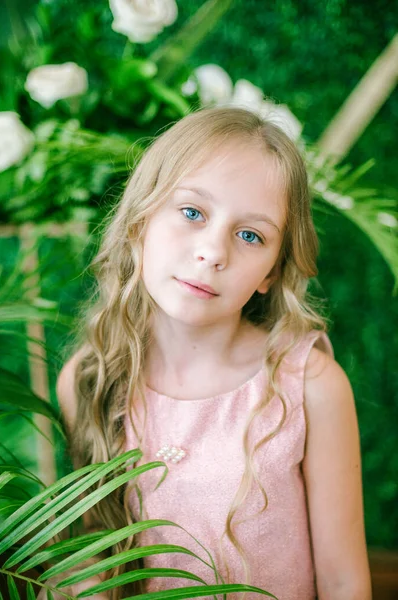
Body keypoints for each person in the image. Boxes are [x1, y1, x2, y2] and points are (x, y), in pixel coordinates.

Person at [54, 107, 371, 600]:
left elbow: (343, 582)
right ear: (140, 221)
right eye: (192, 212)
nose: (213, 251)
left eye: (251, 235)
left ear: (270, 272)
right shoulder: (91, 378)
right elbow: (94, 560)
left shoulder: (311, 386)